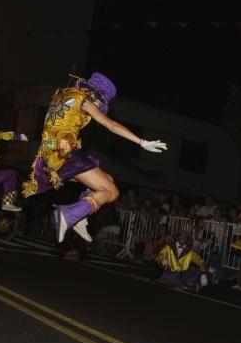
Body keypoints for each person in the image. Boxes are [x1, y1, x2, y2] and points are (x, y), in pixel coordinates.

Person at [22, 72, 167, 243]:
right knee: (112, 192)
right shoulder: (84, 101)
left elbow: (50, 133)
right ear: (94, 93)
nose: (98, 106)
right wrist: (142, 142)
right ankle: (68, 214)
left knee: (109, 179)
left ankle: (80, 217)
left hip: (50, 155)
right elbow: (111, 125)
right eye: (101, 102)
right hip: (65, 155)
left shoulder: (61, 97)